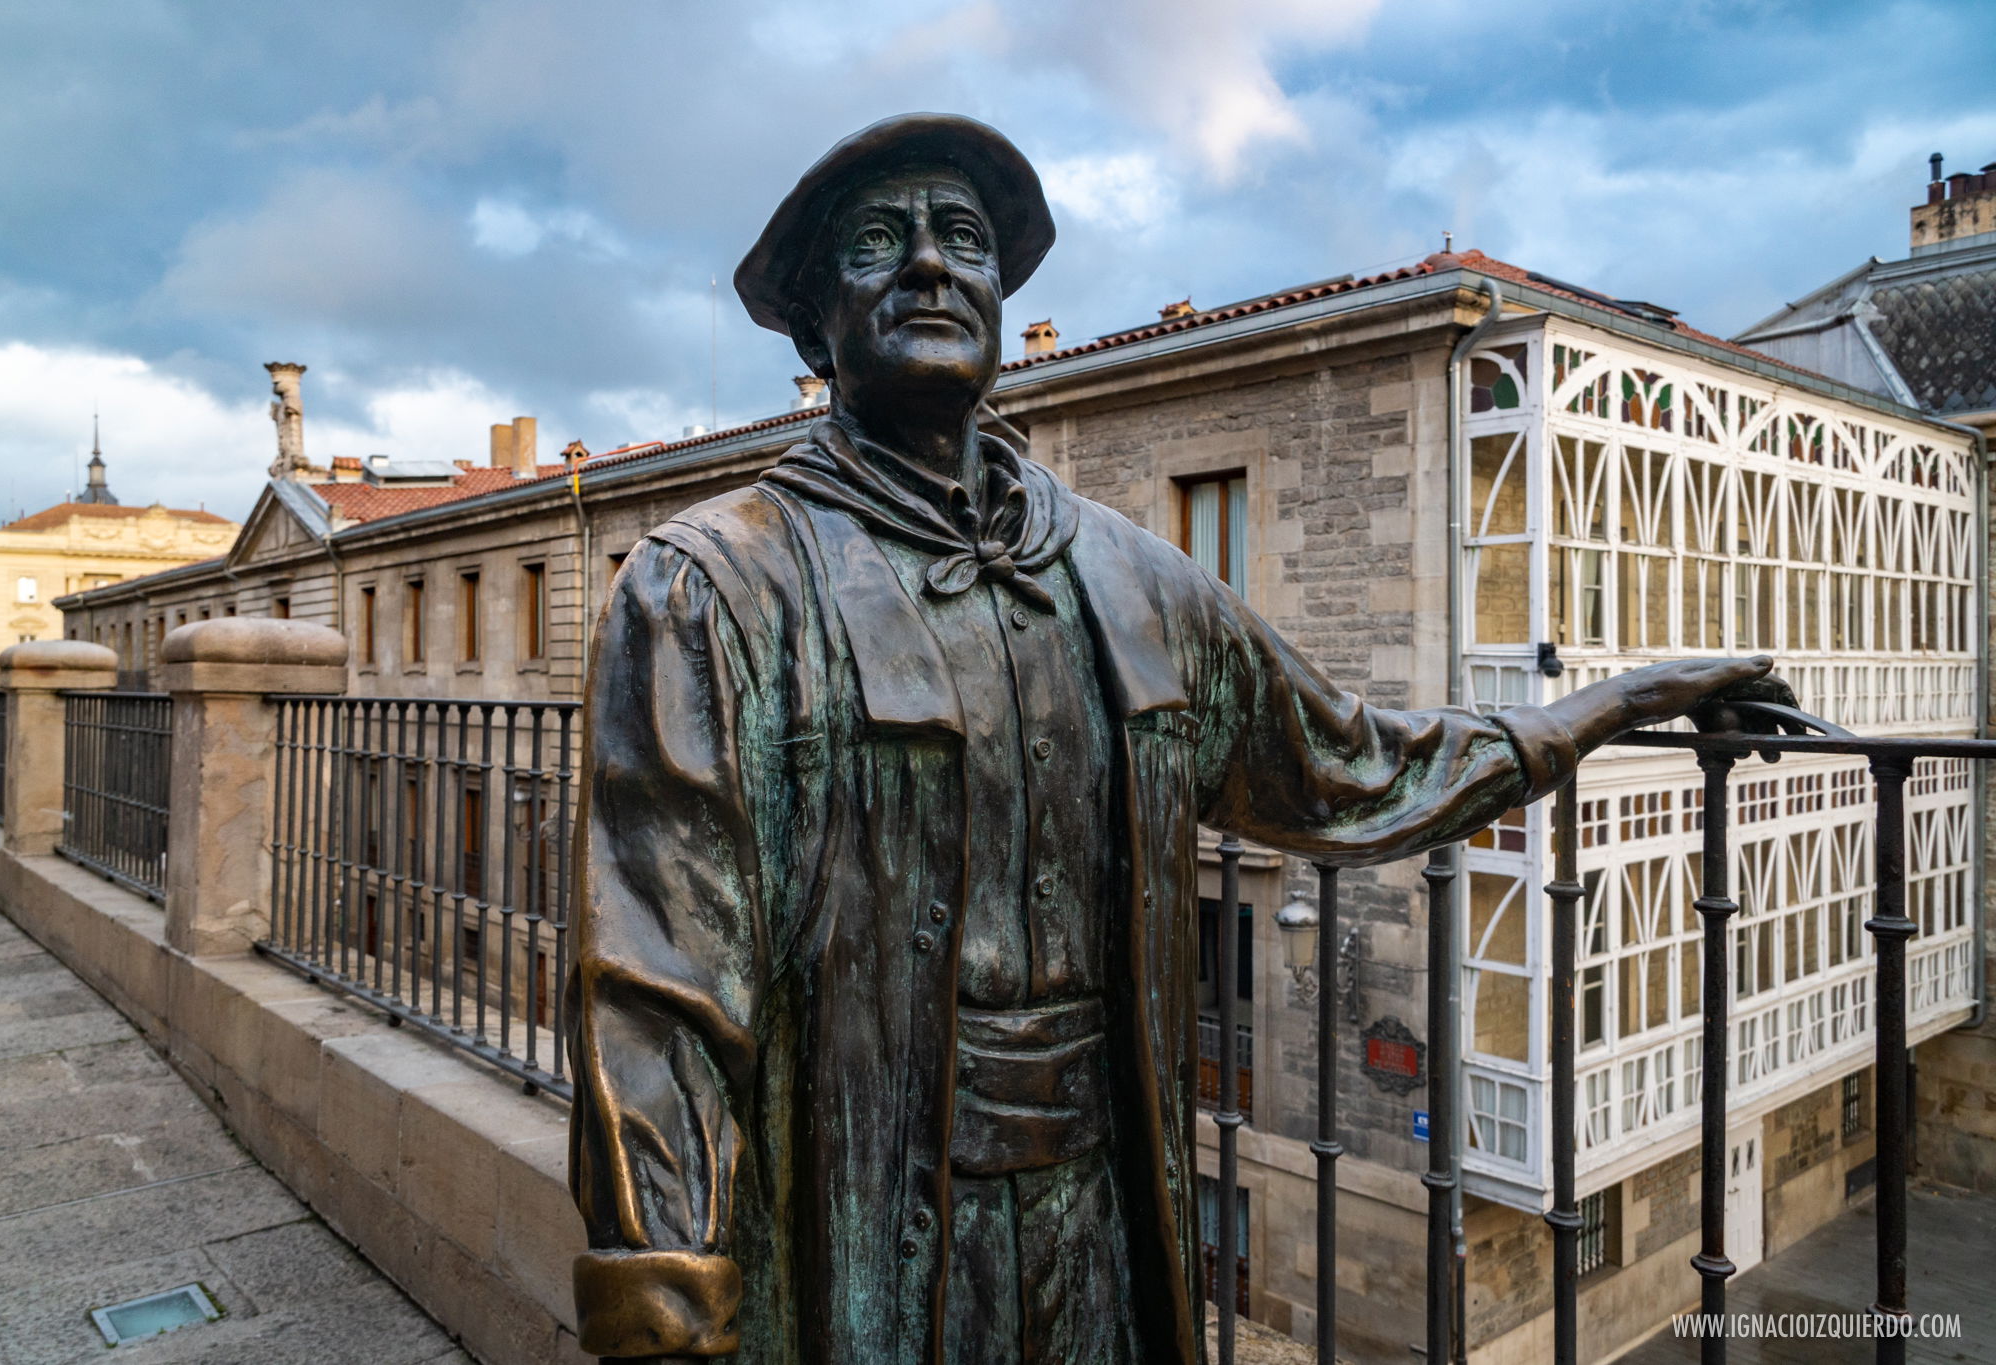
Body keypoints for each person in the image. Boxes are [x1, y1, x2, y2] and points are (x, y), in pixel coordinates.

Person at [566, 113, 1783, 1364]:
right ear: (817, 324)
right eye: (880, 241)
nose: (930, 265)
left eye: (962, 239)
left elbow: (1355, 765)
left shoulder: (1131, 580)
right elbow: (658, 995)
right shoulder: (712, 587)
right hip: (862, 1236)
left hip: (1101, 1220)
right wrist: (666, 1305)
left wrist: (1620, 703)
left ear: (995, 294)